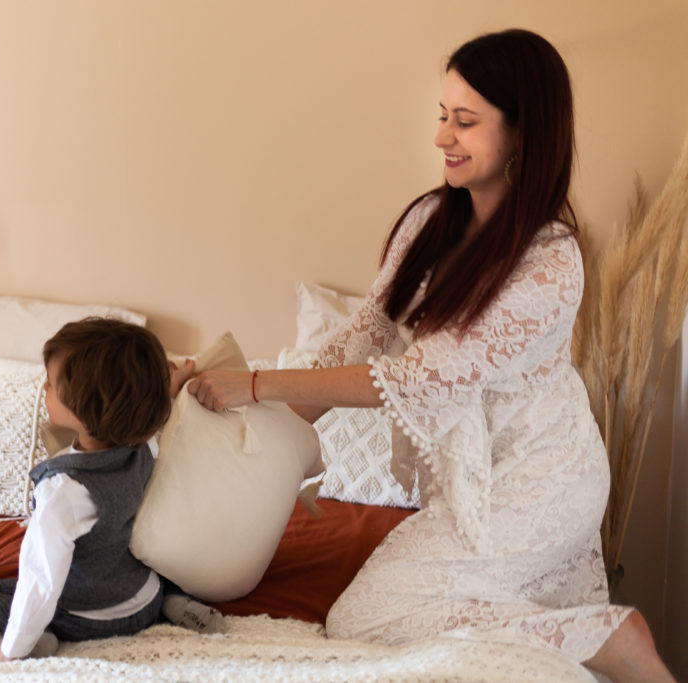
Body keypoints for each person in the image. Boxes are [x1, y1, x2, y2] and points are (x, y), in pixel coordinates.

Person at [187, 29, 674, 682]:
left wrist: (254, 384)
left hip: (537, 483)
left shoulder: (551, 262)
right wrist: (222, 410)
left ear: (524, 135)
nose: (443, 137)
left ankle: (607, 638)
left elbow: (416, 382)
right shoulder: (429, 221)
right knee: (430, 609)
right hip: (465, 484)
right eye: (442, 116)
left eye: (466, 122)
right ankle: (580, 634)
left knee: (363, 617)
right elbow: (362, 339)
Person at [0, 318, 223, 663]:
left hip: (90, 620)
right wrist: (169, 385)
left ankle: (40, 641)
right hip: (144, 598)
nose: (43, 388)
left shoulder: (62, 490)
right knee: (154, 560)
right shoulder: (146, 446)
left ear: (81, 412)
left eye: (50, 384)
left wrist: (9, 650)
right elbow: (146, 403)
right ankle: (173, 602)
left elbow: (42, 580)